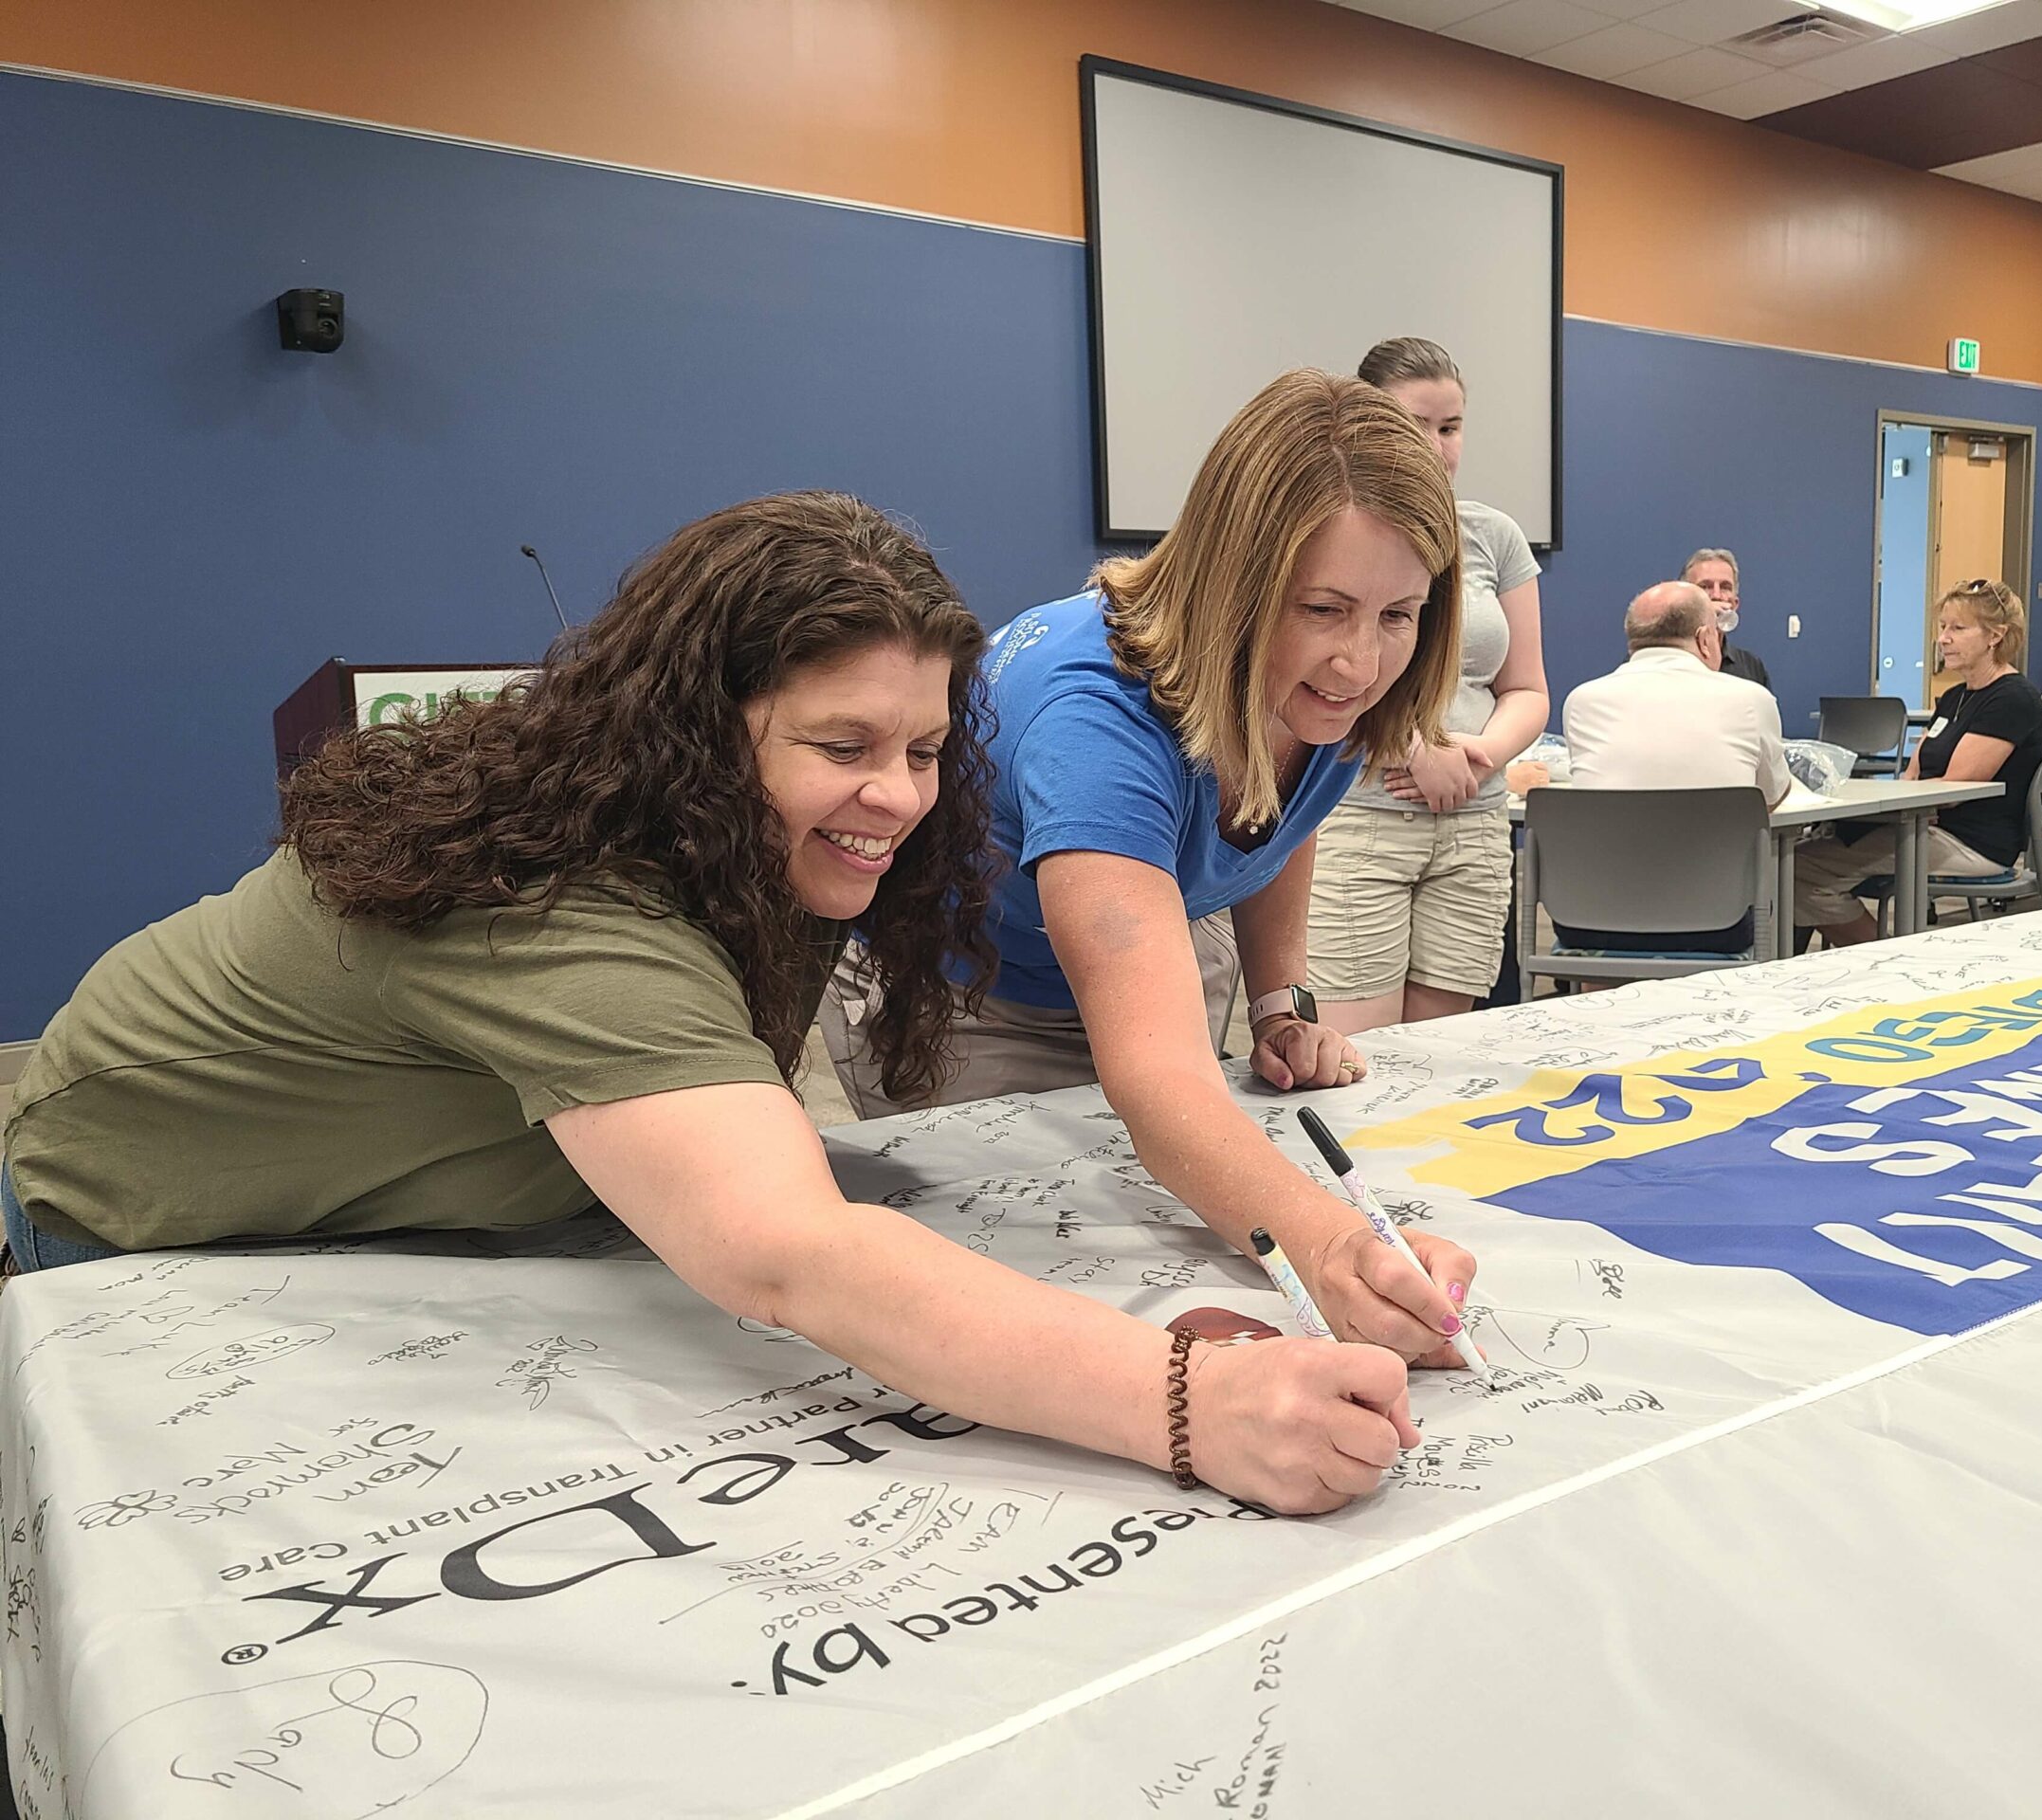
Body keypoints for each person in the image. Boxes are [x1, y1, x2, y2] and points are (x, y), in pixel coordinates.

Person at [2, 493, 1418, 1516]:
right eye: (843, 745)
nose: (903, 799)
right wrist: (1192, 1402)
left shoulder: (742, 844)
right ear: (693, 727)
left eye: (927, 750)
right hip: (144, 1229)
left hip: (452, 1191)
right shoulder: (553, 899)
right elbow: (788, 1257)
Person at [820, 370, 1484, 1371]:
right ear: (1235, 579)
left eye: (1399, 616)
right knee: (1040, 1283)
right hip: (962, 990)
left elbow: (1274, 817)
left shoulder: (1329, 690)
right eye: (1322, 609)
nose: (1358, 663)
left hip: (1150, 938)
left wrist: (1279, 1001)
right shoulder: (1096, 719)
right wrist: (1335, 1247)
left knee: (1200, 1186)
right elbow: (1156, 1079)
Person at [1302, 337, 1548, 1033]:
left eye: (1451, 427)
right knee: (1359, 1054)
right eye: (1416, 425)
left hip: (1473, 824)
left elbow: (1527, 687)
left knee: (1441, 1055)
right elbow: (1314, 669)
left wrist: (1478, 756)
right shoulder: (1331, 525)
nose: (1438, 448)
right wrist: (1415, 748)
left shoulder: (1495, 536)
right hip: (1364, 819)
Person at [1794, 578, 2042, 946]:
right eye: (1943, 627)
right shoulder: (1953, 698)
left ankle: (1884, 961)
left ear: (1995, 636)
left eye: (1958, 629)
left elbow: (1957, 788)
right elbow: (1913, 773)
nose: (1943, 638)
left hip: (1972, 842)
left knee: (1799, 871)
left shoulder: (2012, 698)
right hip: (1922, 827)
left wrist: (1908, 803)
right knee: (1796, 857)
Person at [1556, 580, 1791, 955]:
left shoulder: (1582, 701)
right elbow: (1768, 801)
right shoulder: (1752, 699)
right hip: (1719, 920)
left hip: (1591, 920)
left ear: (1633, 642)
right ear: (1705, 639)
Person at [1681, 547, 1770, 691]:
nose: (1716, 595)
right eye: (1705, 586)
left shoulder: (1750, 666)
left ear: (1735, 604)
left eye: (1725, 587)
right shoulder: (1662, 661)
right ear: (1685, 599)